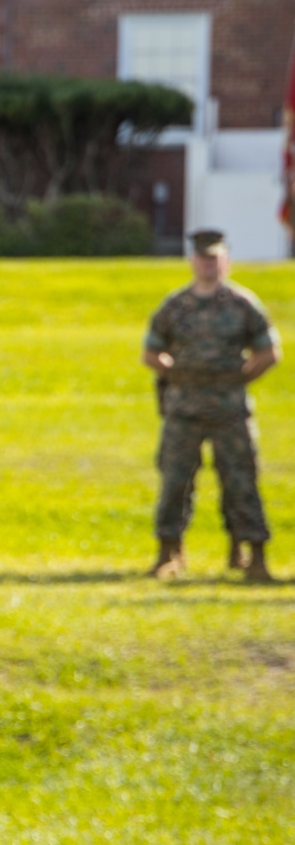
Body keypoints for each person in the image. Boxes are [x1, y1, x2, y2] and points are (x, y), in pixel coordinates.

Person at [142, 228, 280, 581]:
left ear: (226, 261)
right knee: (174, 481)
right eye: (203, 259)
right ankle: (167, 551)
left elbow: (268, 352)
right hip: (183, 410)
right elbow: (151, 352)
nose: (209, 265)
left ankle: (253, 554)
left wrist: (238, 379)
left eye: (215, 258)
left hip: (229, 411)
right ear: (193, 262)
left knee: (241, 481)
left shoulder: (242, 304)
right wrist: (178, 374)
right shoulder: (175, 306)